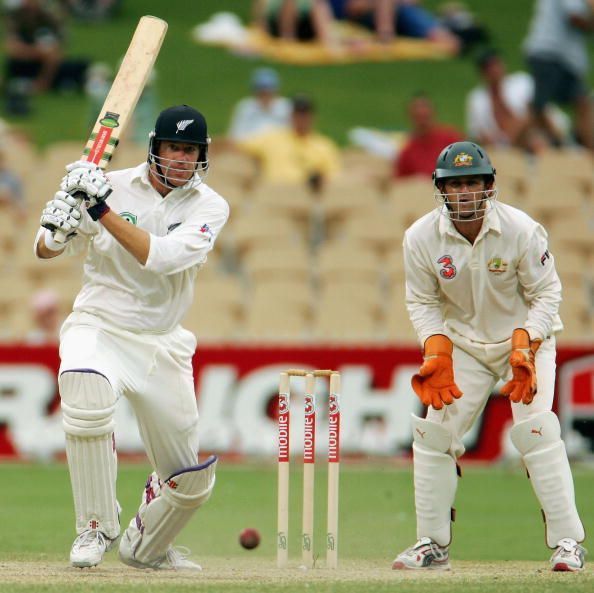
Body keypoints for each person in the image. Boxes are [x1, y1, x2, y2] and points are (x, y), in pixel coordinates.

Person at [35, 105, 229, 570]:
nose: (181, 158)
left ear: (202, 155)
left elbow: (160, 258)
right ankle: (95, 526)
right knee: (83, 388)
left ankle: (147, 547)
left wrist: (99, 208)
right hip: (100, 324)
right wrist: (59, 224)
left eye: (190, 150)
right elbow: (43, 250)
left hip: (162, 341)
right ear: (155, 149)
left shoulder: (210, 206)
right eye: (173, 148)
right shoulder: (111, 182)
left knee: (190, 481)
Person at [393, 141, 586, 572]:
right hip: (464, 345)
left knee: (536, 431)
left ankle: (569, 543)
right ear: (441, 189)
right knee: (433, 435)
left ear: (490, 185)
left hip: (525, 345)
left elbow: (547, 293)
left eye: (473, 183)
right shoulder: (420, 237)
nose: (464, 193)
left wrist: (528, 340)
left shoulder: (521, 229)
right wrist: (436, 345)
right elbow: (422, 302)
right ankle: (432, 544)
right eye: (455, 184)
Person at [523, 0, 594, 152]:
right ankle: (536, 149)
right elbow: (575, 18)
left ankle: (577, 150)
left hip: (559, 56)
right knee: (539, 106)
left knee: (582, 102)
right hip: (551, 53)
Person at [466, 48, 569, 151]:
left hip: (537, 130)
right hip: (503, 142)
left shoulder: (521, 82)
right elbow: (477, 132)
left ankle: (507, 144)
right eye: (488, 67)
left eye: (495, 65)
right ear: (482, 72)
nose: (493, 70)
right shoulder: (477, 99)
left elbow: (537, 113)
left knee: (532, 125)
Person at [237, 94, 341, 190]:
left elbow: (333, 176)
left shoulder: (323, 145)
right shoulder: (272, 137)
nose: (301, 118)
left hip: (305, 197)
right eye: (297, 113)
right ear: (290, 115)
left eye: (304, 114)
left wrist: (318, 180)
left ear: (312, 117)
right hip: (274, 192)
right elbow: (239, 146)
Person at [393, 93, 463, 179]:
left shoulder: (451, 139)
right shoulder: (407, 153)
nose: (422, 122)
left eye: (425, 116)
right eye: (418, 117)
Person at [227, 67, 291, 141]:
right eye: (261, 92)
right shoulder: (245, 107)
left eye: (268, 91)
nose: (265, 95)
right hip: (250, 148)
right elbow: (235, 136)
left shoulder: (285, 107)